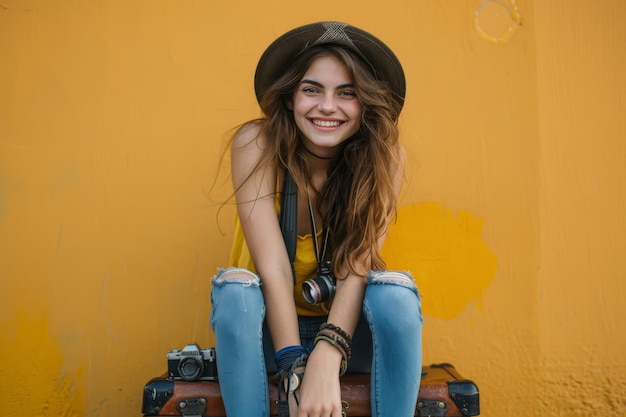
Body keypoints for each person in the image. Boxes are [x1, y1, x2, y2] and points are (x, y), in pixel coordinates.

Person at [210, 21, 423, 417]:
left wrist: (328, 353)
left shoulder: (385, 157)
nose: (328, 106)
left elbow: (357, 265)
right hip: (265, 335)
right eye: (312, 89)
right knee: (235, 291)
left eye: (348, 93)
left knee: (395, 293)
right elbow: (273, 268)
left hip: (347, 334)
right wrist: (294, 363)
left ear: (366, 103)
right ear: (290, 97)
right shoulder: (256, 144)